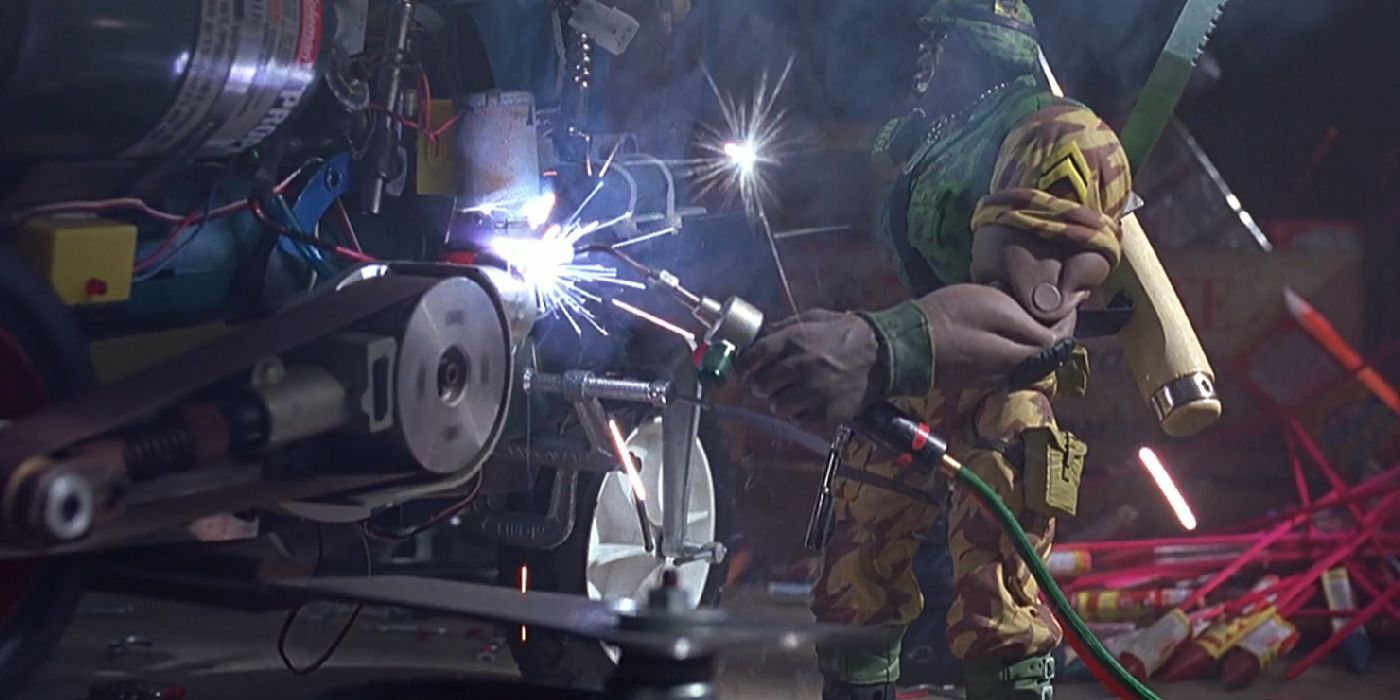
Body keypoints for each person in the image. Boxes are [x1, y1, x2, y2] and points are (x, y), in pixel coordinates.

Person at [738, 1, 1133, 698]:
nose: (925, 52)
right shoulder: (935, 136)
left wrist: (874, 345)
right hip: (920, 371)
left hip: (1002, 389)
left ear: (988, 44)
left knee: (998, 599)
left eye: (942, 38)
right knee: (853, 577)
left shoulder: (1052, 135)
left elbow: (1034, 319)